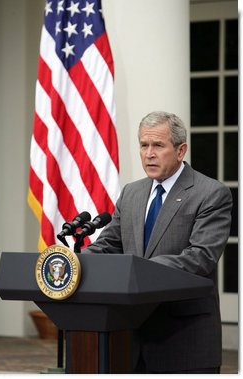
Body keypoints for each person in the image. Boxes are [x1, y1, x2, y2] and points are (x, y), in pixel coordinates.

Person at [82, 111, 233, 374]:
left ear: (180, 150)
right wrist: (73, 263)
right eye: (144, 145)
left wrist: (138, 271)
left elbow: (201, 257)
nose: (149, 153)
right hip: (128, 337)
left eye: (158, 145)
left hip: (183, 338)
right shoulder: (132, 192)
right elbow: (109, 244)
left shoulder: (211, 193)